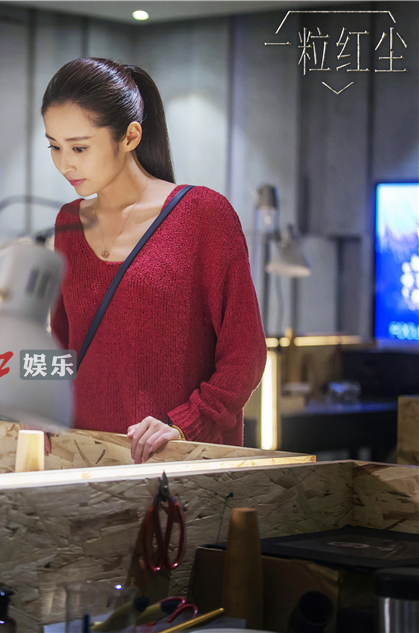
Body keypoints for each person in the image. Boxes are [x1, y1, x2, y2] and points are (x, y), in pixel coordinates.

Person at [42, 58, 267, 463]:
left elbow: (245, 352)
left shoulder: (204, 214)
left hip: (176, 461)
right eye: (54, 147)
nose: (64, 164)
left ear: (130, 136)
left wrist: (186, 423)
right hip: (84, 459)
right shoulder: (67, 222)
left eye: (79, 147)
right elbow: (60, 339)